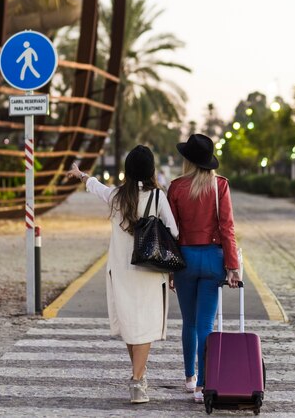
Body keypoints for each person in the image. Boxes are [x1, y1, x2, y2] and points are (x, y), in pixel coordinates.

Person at [67, 145, 178, 404]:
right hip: (150, 270)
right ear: (151, 170)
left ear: (127, 170)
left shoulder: (117, 196)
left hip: (120, 270)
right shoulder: (158, 198)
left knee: (131, 324)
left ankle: (139, 375)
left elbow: (96, 186)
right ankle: (138, 382)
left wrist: (81, 174)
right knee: (145, 325)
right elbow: (173, 233)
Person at [167, 133, 241, 404]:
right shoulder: (219, 185)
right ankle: (203, 385)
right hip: (212, 260)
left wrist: (170, 270)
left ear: (187, 160)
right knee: (205, 325)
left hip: (184, 259)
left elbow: (171, 232)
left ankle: (189, 377)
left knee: (189, 322)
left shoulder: (175, 187)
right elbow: (227, 227)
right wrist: (232, 265)